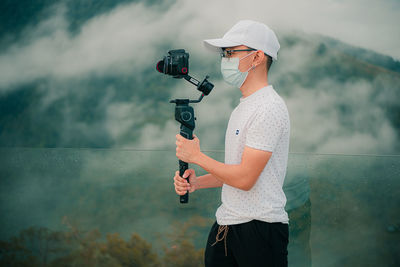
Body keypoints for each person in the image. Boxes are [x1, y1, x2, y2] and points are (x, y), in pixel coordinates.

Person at [173, 19, 290, 267]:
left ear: (257, 57)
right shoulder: (245, 106)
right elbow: (236, 170)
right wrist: (197, 182)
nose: (225, 59)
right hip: (227, 225)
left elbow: (245, 179)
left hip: (260, 229)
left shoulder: (268, 107)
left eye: (230, 52)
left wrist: (196, 156)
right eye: (224, 54)